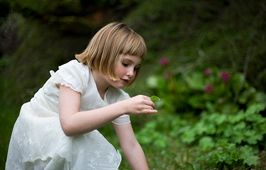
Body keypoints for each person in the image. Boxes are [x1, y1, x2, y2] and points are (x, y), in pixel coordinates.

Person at [6, 22, 157, 170]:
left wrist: (122, 106)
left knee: (80, 143)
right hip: (37, 129)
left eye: (136, 68)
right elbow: (70, 125)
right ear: (105, 54)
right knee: (82, 143)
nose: (131, 73)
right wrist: (124, 107)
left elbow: (130, 144)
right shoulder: (75, 73)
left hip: (64, 136)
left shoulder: (118, 97)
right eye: (126, 64)